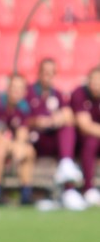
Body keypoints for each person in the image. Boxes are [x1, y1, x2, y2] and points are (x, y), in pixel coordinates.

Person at [27, 58, 85, 210]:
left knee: (68, 127)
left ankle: (68, 182)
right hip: (35, 140)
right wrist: (37, 121)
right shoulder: (29, 92)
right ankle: (68, 189)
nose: (48, 76)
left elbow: (68, 115)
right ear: (39, 73)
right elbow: (20, 118)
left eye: (51, 73)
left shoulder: (57, 94)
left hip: (53, 139)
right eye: (45, 72)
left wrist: (59, 118)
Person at [0, 75, 36, 205]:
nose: (16, 91)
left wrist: (19, 146)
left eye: (20, 88)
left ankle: (26, 192)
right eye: (13, 87)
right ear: (8, 88)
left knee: (28, 151)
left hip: (9, 144)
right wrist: (13, 146)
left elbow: (22, 134)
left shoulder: (24, 108)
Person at [70, 67, 100, 206]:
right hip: (80, 141)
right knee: (91, 141)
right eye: (94, 81)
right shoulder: (79, 93)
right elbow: (85, 126)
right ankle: (88, 188)